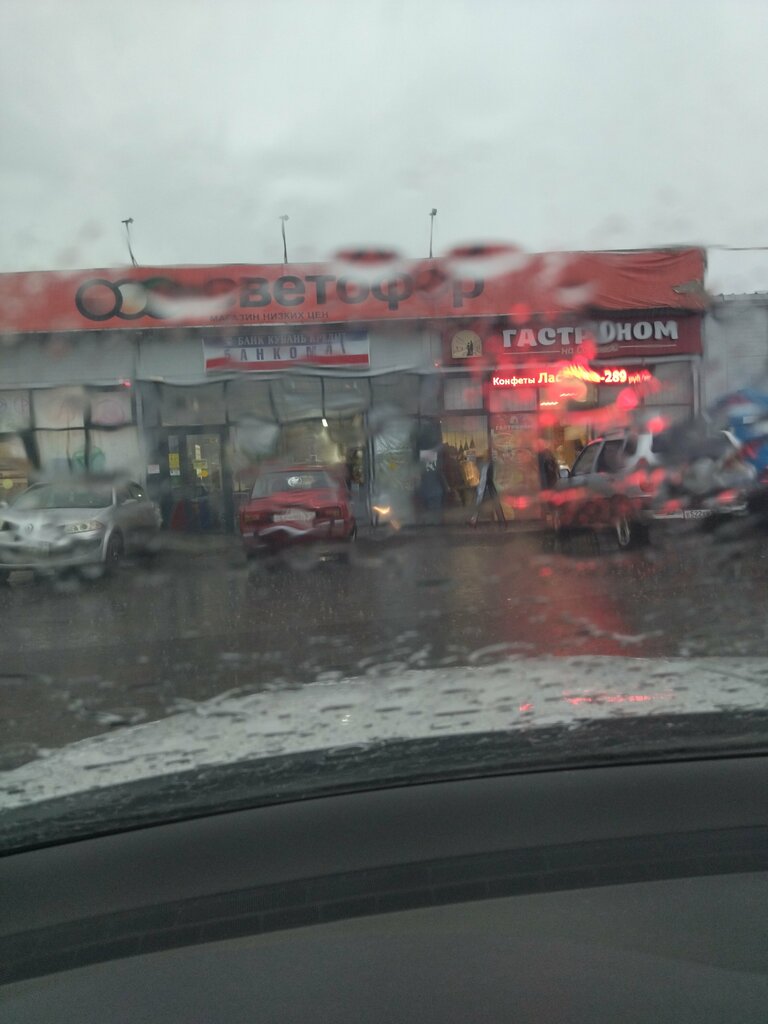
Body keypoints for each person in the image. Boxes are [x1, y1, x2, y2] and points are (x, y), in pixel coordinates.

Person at [468, 455, 506, 528]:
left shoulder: (485, 463)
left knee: (480, 500)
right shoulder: (488, 462)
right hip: (488, 483)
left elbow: (484, 478)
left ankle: (473, 520)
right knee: (495, 503)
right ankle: (502, 523)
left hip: (486, 483)